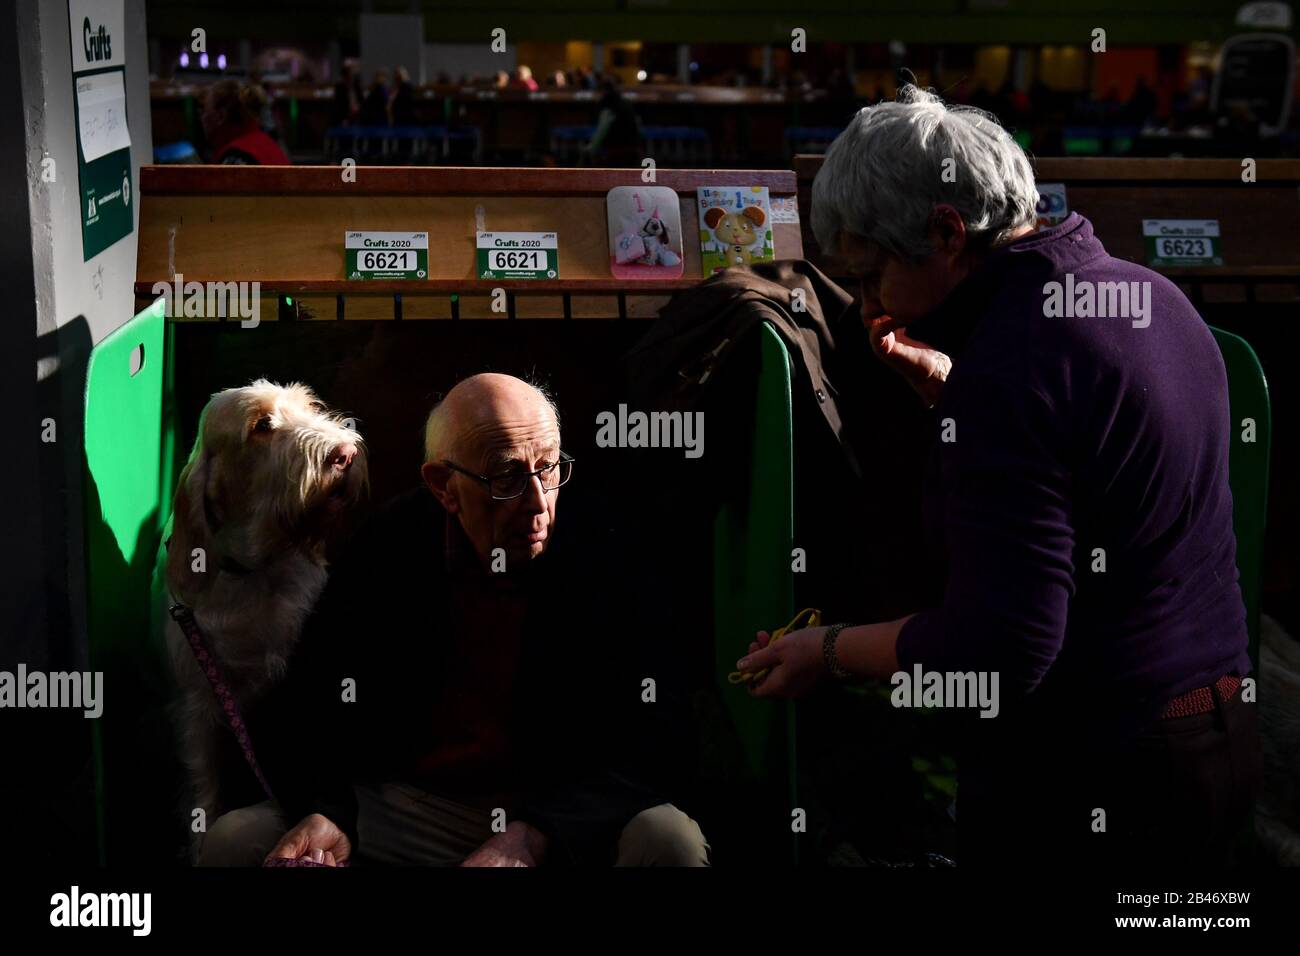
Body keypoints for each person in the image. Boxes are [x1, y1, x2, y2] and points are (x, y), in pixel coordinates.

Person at [738, 85, 1261, 867]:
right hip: (1217, 747)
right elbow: (1099, 474)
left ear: (945, 231)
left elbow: (1001, 648)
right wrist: (956, 397)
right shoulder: (1152, 297)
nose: (870, 302)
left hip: (1097, 784)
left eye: (871, 272)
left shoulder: (1010, 373)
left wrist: (831, 651)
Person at [200, 374, 709, 867]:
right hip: (414, 807)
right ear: (443, 486)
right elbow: (309, 702)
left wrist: (536, 834)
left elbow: (662, 733)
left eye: (549, 469)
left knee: (668, 841)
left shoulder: (608, 546)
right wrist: (327, 810)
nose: (538, 504)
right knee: (235, 841)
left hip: (563, 805)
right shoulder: (391, 545)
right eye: (507, 476)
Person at [200, 80, 290, 165]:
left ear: (221, 116)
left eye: (204, 111)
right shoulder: (265, 143)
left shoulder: (235, 157)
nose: (201, 118)